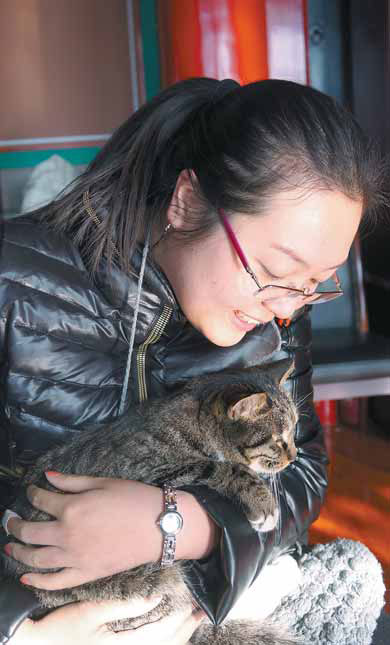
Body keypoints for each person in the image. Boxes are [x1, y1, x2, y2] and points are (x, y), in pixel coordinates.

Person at [0, 77, 386, 644]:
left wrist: (181, 524)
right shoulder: (13, 284)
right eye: (275, 274)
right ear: (186, 201)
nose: (286, 309)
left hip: (194, 603)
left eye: (313, 285)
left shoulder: (276, 310)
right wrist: (27, 633)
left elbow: (301, 474)